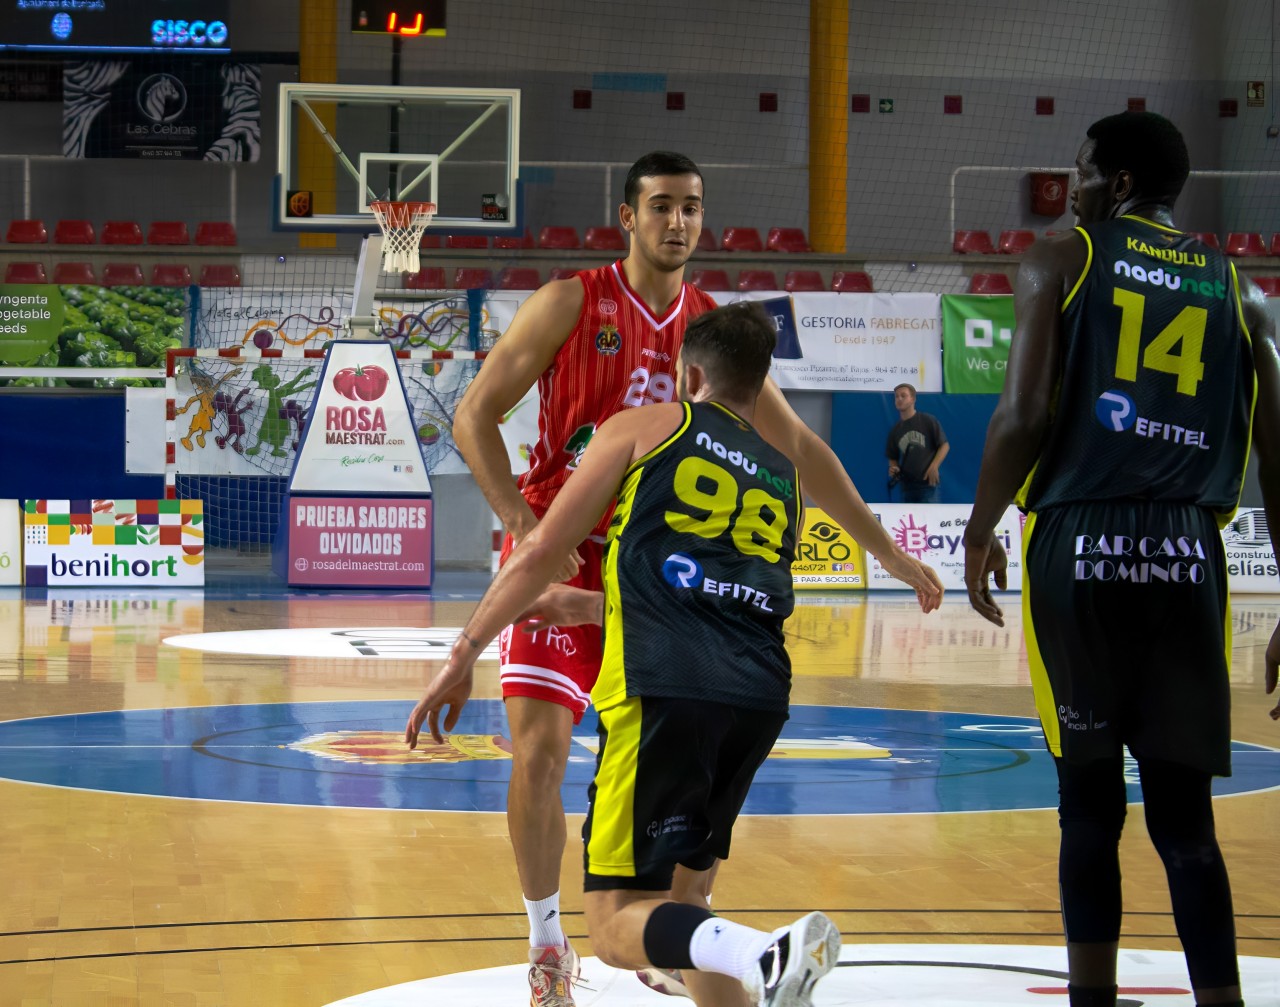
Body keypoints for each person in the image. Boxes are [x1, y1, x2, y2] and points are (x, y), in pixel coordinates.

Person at [453, 149, 943, 1006]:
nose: (679, 221)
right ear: (628, 216)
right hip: (561, 547)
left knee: (669, 815)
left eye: (692, 207)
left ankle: (674, 932)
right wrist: (522, 522)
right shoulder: (573, 300)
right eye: (663, 206)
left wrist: (889, 549)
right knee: (540, 750)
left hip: (664, 582)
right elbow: (474, 414)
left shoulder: (715, 329)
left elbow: (808, 453)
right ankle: (545, 940)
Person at [409, 302, 842, 1007]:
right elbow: (713, 584)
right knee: (687, 897)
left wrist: (463, 649)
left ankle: (763, 950)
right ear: (760, 387)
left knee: (613, 925)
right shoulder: (782, 472)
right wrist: (589, 606)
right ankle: (753, 961)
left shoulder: (645, 426)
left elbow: (543, 547)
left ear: (690, 373)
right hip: (760, 694)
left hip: (669, 686)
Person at [961, 110, 1280, 1007]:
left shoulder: (1062, 258)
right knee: (1188, 822)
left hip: (1079, 544)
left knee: (1089, 807)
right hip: (1188, 549)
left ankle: (1091, 999)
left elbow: (1023, 413)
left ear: (1122, 183)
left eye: (1083, 172)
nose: (1076, 187)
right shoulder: (1239, 288)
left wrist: (982, 525)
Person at [885, 383, 949, 503]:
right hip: (907, 487)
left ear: (913, 399)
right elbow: (892, 457)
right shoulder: (895, 430)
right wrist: (894, 469)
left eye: (903, 396)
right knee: (908, 521)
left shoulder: (928, 421)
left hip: (928, 485)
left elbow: (944, 445)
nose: (899, 399)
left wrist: (934, 467)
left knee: (929, 519)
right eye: (896, 396)